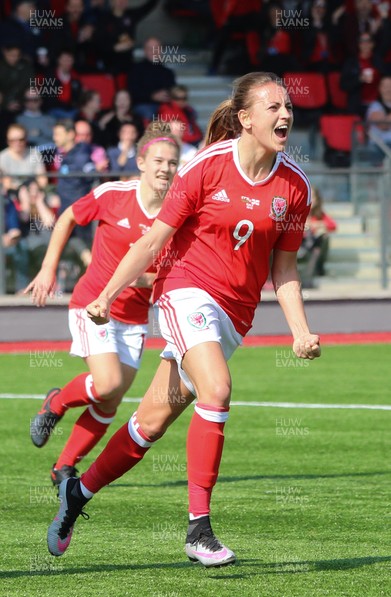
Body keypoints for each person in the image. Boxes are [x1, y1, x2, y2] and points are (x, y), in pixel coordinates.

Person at [44, 72, 321, 567]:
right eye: (273, 107)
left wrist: (300, 331)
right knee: (216, 389)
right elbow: (151, 241)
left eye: (288, 107)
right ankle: (199, 529)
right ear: (245, 118)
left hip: (235, 313)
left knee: (150, 423)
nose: (285, 115)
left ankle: (78, 494)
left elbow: (285, 267)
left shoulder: (295, 186)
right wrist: (107, 294)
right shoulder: (204, 167)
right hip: (184, 291)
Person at [26, 123, 181, 486]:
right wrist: (48, 269)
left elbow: (162, 273)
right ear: (141, 162)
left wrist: (147, 280)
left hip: (135, 318)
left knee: (110, 402)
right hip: (92, 305)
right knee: (108, 383)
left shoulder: (178, 213)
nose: (165, 168)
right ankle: (56, 403)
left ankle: (62, 467)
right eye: (158, 160)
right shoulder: (113, 194)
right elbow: (67, 217)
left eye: (172, 163)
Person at [298, 186, 337, 287]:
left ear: (317, 199)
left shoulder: (319, 214)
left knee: (321, 240)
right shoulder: (297, 213)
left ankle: (308, 279)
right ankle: (310, 277)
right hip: (299, 246)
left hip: (314, 246)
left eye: (313, 197)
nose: (310, 200)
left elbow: (332, 225)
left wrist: (318, 225)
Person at [366, 74, 391, 163]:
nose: (389, 89)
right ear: (380, 88)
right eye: (386, 86)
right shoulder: (375, 106)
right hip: (379, 146)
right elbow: (383, 125)